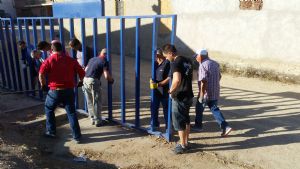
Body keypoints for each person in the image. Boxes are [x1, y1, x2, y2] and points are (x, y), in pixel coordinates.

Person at [39, 41, 85, 144]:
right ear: (62, 49)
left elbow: (41, 74)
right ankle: (77, 136)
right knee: (71, 112)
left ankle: (51, 132)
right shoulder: (71, 60)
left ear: (52, 49)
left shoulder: (48, 60)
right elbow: (82, 73)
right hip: (69, 90)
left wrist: (43, 85)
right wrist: (80, 82)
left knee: (49, 109)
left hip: (54, 91)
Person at [162, 44, 194, 154]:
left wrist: (170, 91)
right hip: (189, 94)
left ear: (171, 53)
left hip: (180, 96)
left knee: (179, 122)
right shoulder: (187, 60)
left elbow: (176, 80)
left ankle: (182, 145)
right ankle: (186, 143)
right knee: (186, 120)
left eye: (166, 56)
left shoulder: (175, 63)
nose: (166, 58)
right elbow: (190, 77)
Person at [193, 49, 232, 137]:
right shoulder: (215, 63)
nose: (196, 58)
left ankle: (198, 126)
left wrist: (201, 94)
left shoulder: (203, 65)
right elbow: (219, 76)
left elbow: (203, 81)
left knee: (199, 108)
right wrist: (214, 84)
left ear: (201, 56)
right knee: (214, 108)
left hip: (206, 92)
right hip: (215, 91)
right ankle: (225, 127)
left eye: (196, 56)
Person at [83, 48, 114, 127]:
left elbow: (85, 70)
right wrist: (111, 80)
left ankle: (92, 118)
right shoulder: (104, 61)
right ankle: (98, 121)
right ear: (105, 55)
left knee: (89, 100)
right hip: (93, 81)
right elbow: (106, 76)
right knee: (97, 101)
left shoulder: (92, 59)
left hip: (85, 80)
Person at [149, 48, 170, 130]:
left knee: (166, 109)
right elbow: (153, 75)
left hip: (165, 91)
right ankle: (155, 124)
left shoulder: (167, 63)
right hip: (156, 91)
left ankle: (168, 127)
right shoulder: (154, 64)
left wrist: (159, 84)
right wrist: (151, 80)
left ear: (158, 55)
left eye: (154, 55)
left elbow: (169, 78)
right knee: (153, 107)